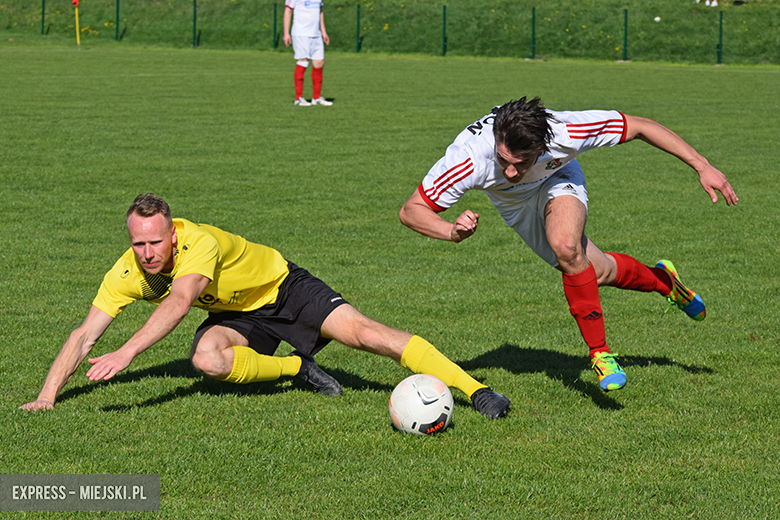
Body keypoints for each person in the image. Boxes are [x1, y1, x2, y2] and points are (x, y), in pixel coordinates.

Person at [20, 194, 510, 419]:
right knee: (206, 358)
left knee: (366, 335)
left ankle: (477, 390)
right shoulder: (126, 272)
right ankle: (297, 367)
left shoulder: (199, 243)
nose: (147, 253)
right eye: (138, 244)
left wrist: (127, 352)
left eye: (155, 242)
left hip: (284, 287)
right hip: (236, 314)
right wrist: (47, 395)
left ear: (172, 233)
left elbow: (180, 302)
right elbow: (84, 334)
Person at [399, 97, 738, 392]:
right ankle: (665, 282)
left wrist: (702, 166)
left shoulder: (566, 131)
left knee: (566, 246)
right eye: (504, 161)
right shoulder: (469, 158)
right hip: (513, 204)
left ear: (543, 145)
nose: (511, 171)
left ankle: (600, 354)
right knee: (598, 271)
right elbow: (411, 210)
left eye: (521, 162)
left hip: (558, 178)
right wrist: (451, 231)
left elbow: (640, 126)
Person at [283, 0, 332, 106]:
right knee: (303, 61)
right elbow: (288, 11)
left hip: (316, 34)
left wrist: (323, 32)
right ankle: (298, 98)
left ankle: (316, 98)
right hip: (301, 33)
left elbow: (320, 11)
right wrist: (286, 33)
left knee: (319, 63)